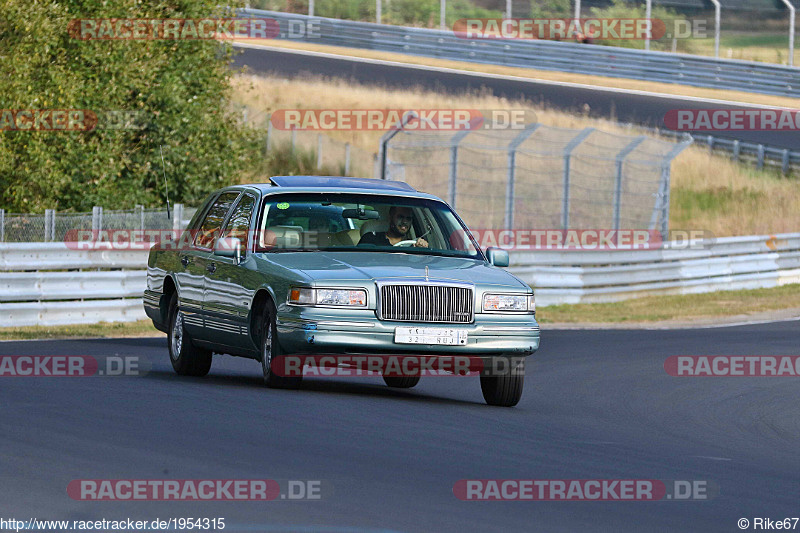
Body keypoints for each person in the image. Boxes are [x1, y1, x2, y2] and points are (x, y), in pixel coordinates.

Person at [358, 206, 428, 248]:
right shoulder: (370, 239)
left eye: (408, 218)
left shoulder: (413, 245)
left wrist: (423, 249)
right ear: (391, 216)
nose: (405, 222)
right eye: (400, 217)